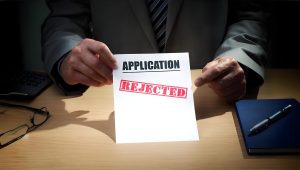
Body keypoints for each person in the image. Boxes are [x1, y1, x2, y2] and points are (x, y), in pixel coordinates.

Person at [41, 0, 269, 103]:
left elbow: (248, 14)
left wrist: (239, 58)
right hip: (110, 101)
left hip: (207, 99)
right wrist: (68, 55)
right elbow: (64, 18)